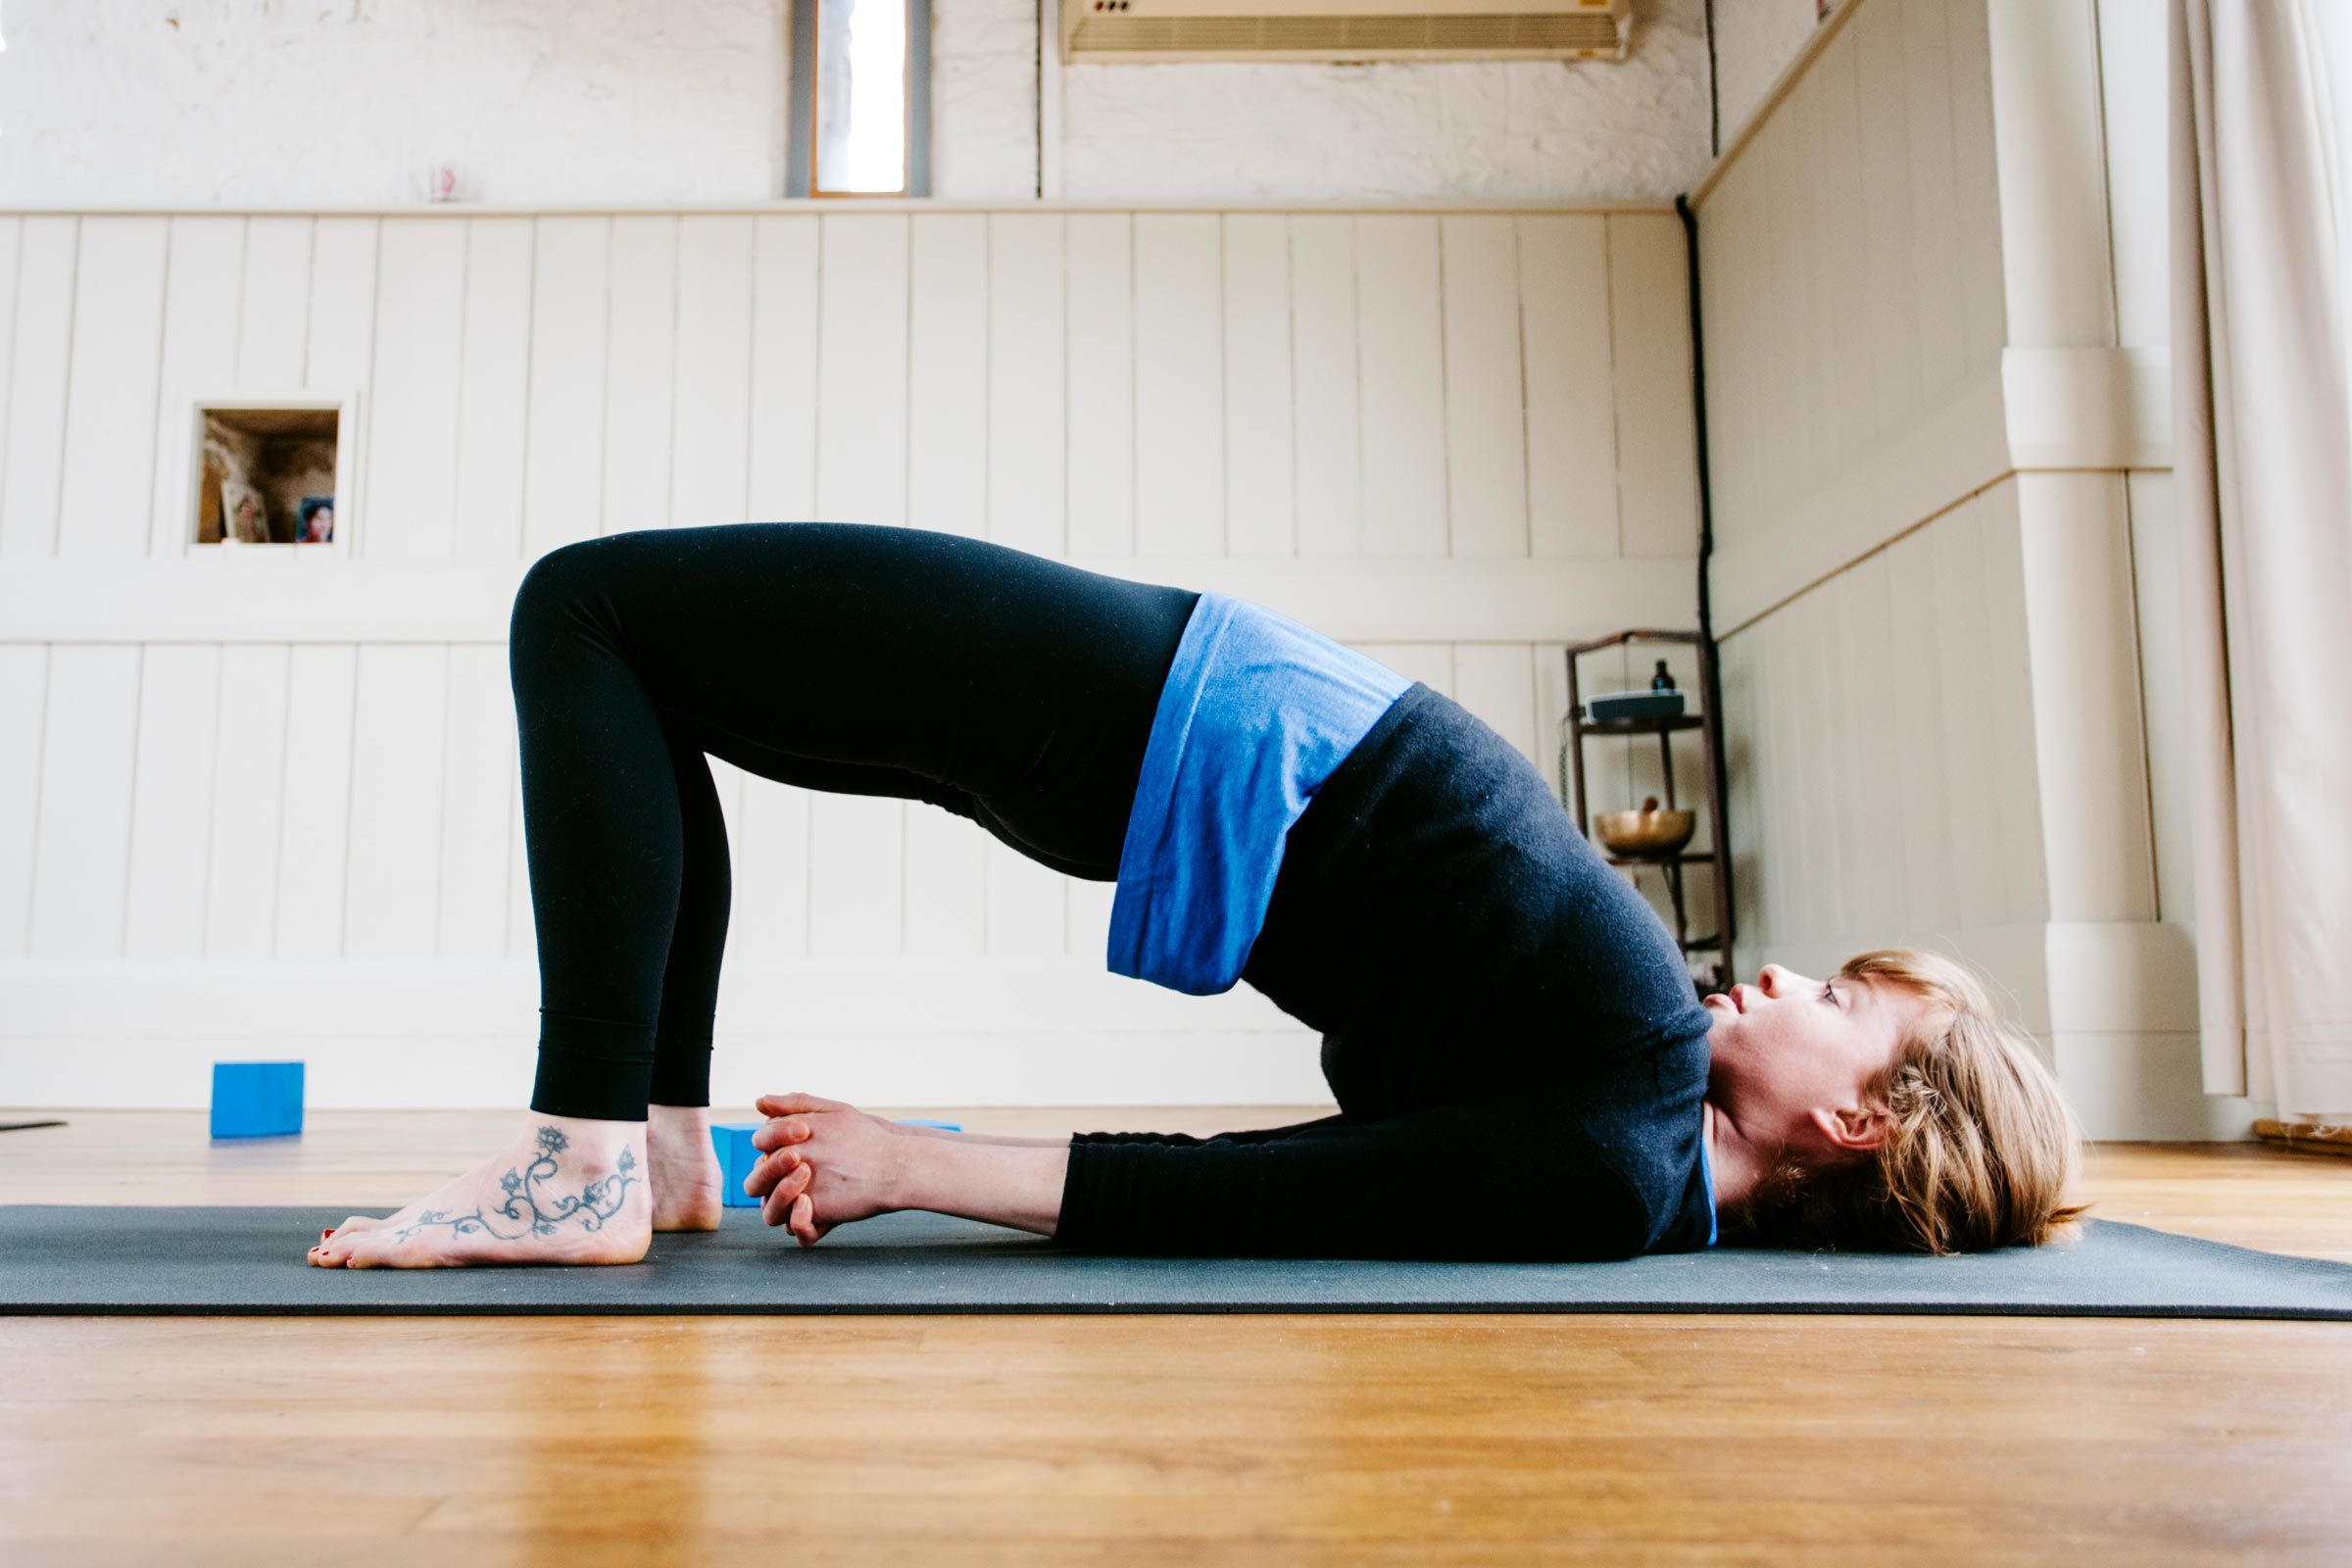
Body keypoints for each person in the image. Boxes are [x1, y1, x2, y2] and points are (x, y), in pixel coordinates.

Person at [307, 522, 2088, 1270]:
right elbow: (1322, 1189)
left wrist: (912, 1167)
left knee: (590, 611)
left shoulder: (1614, 1140)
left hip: (1169, 720)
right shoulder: (1615, 1126)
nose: (1781, 979)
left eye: (1841, 1005)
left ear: (1858, 1125)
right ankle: (651, 1149)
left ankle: (583, 1157)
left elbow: (1268, 1200)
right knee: (650, 657)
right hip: (1188, 732)